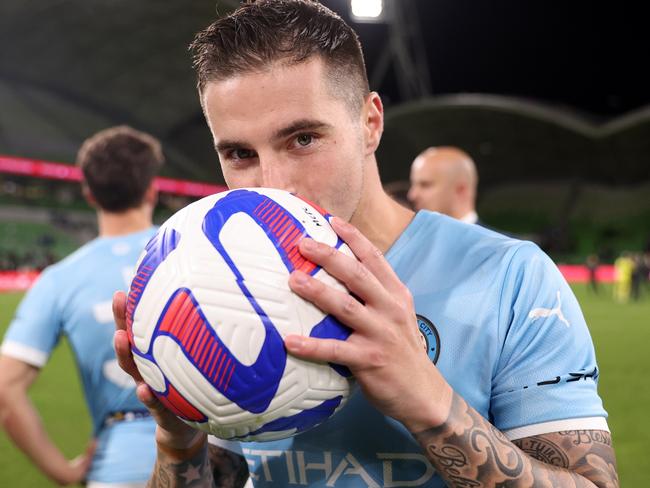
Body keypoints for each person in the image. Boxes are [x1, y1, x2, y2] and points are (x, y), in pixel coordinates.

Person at [112, 1, 618, 487]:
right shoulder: (222, 284)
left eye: (303, 139)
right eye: (240, 153)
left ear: (369, 123)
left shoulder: (510, 277)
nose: (271, 183)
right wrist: (178, 438)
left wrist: (429, 403)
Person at [0, 126, 162, 487]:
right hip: (213, 451)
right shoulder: (197, 252)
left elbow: (5, 389)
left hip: (118, 464)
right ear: (152, 188)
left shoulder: (59, 278)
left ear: (89, 194)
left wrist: (63, 472)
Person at [407, 146, 481, 224]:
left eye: (425, 185)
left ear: (460, 190)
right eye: (413, 184)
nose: (412, 195)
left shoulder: (491, 236)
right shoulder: (410, 235)